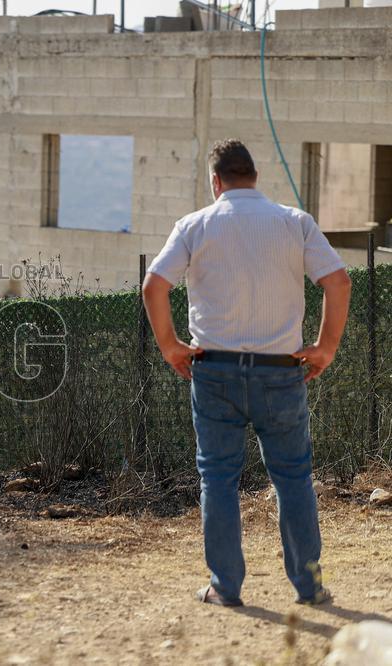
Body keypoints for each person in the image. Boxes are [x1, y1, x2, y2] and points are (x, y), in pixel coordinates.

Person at [142, 139, 352, 607]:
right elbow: (338, 281)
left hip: (213, 370)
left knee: (217, 477)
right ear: (254, 177)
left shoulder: (194, 225)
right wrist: (325, 348)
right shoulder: (294, 221)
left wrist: (171, 347)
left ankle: (225, 587)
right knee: (293, 477)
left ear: (216, 182)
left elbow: (154, 285)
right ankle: (310, 585)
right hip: (282, 371)